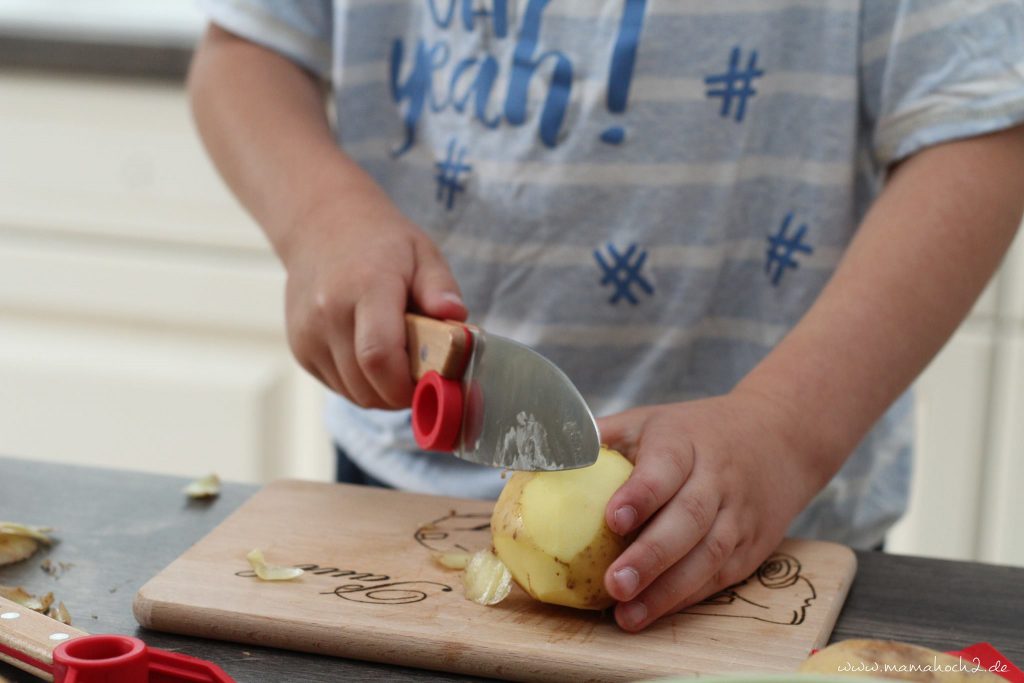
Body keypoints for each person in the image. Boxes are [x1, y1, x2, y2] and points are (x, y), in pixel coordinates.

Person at [188, 0, 1024, 632]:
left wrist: (786, 427)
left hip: (771, 522)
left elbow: (981, 127)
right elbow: (246, 51)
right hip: (395, 487)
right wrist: (319, 215)